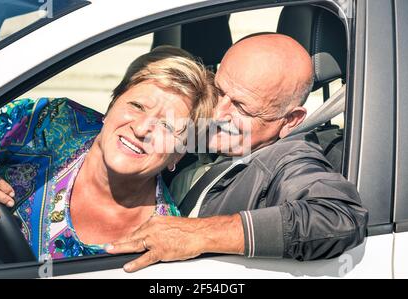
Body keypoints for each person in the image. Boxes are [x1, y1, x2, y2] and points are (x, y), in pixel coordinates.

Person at [105, 34, 368, 272]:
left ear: (289, 120)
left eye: (242, 108)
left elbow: (338, 218)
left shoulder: (287, 159)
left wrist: (200, 234)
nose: (218, 114)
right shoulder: (207, 133)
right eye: (219, 91)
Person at [0, 46, 215, 260]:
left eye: (167, 126)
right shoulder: (53, 121)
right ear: (110, 106)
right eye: (137, 106)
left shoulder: (162, 237)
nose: (141, 129)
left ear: (177, 155)